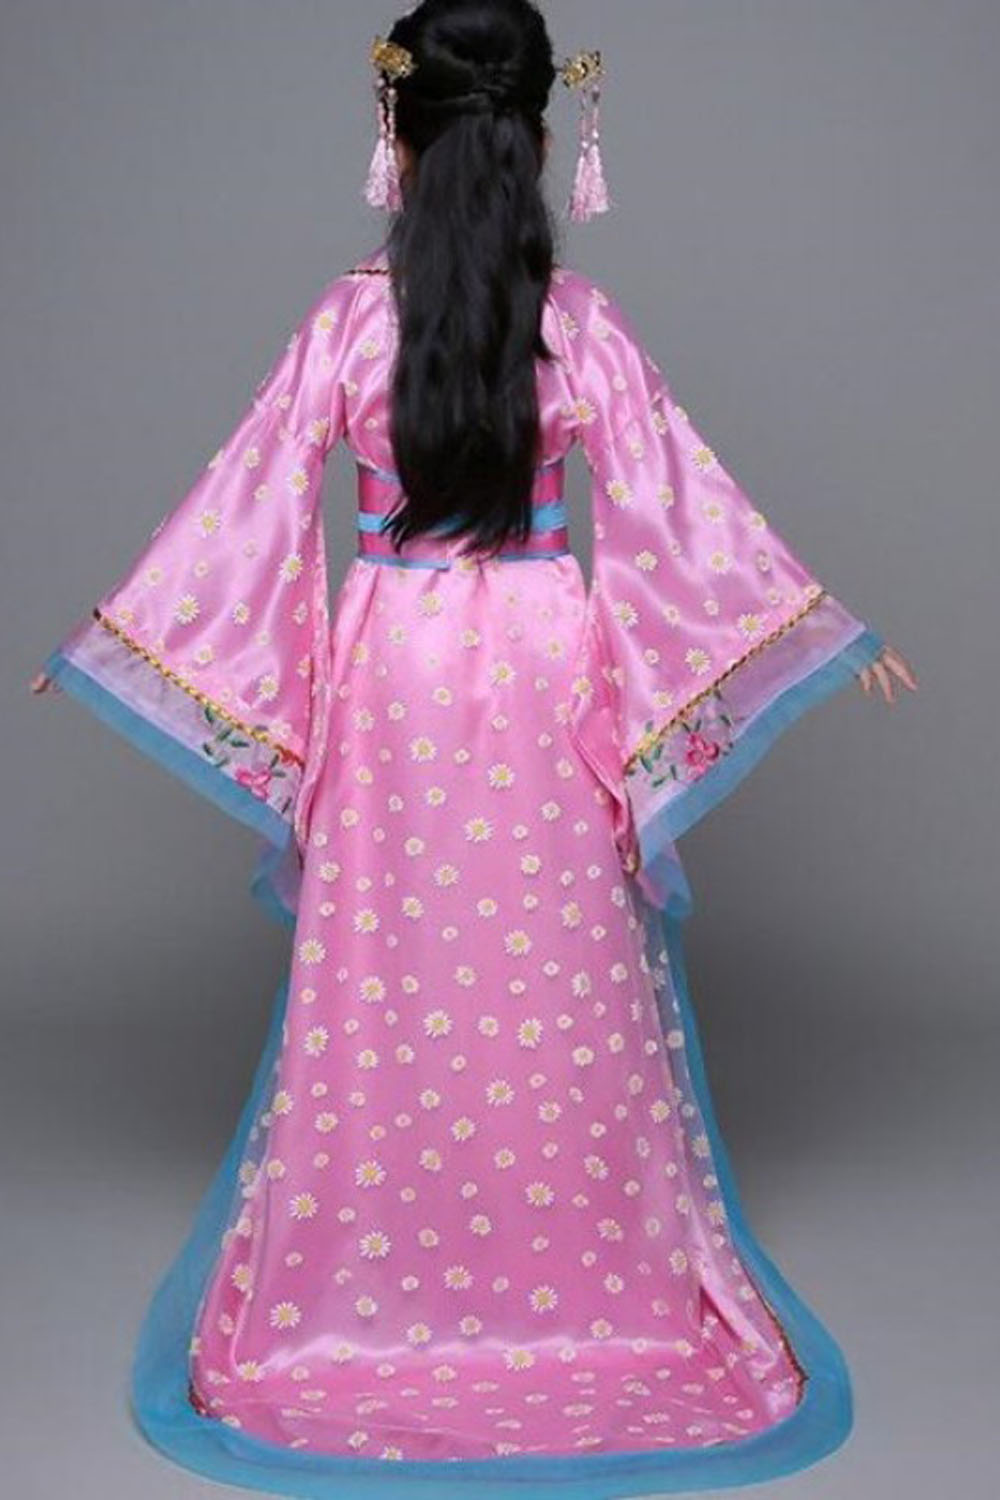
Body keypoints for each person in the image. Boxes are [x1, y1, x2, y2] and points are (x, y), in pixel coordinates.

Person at [29, 2, 916, 1496]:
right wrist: (815, 624)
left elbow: (244, 502)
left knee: (392, 961)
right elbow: (683, 507)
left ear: (399, 131)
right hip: (543, 658)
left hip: (397, 661)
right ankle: (586, 1282)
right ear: (543, 137)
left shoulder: (346, 324)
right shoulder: (581, 326)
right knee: (557, 957)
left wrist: (121, 639)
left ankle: (377, 1288)